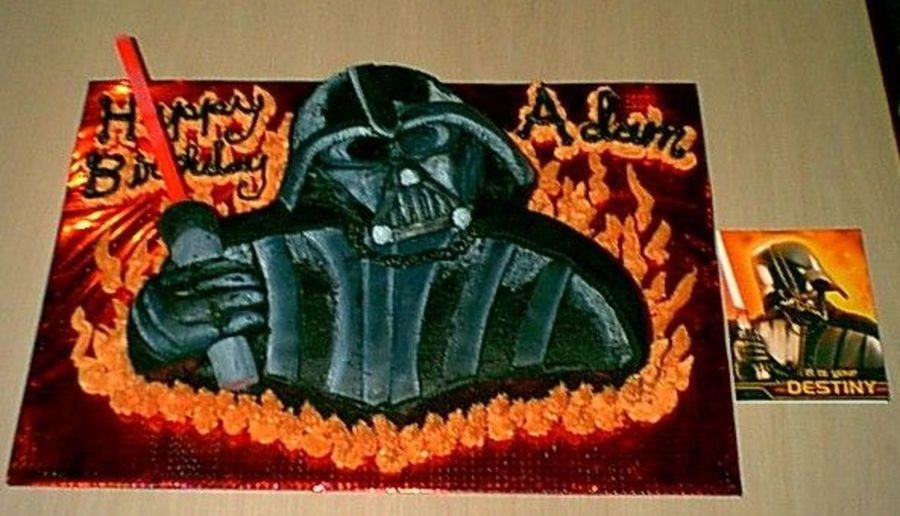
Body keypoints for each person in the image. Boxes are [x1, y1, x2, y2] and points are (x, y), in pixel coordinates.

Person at [127, 64, 650, 421]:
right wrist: (161, 337)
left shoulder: (559, 276)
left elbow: (616, 358)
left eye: (425, 140)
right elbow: (165, 374)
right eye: (364, 152)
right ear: (319, 175)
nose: (405, 176)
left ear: (473, 148)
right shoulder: (253, 259)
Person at [731, 241, 883, 381]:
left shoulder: (862, 329)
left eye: (810, 292)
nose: (804, 303)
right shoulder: (749, 333)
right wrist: (742, 366)